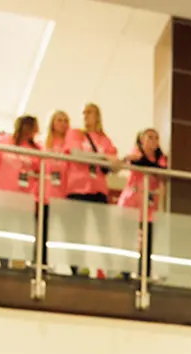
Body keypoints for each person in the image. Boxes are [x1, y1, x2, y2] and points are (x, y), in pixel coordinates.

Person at [62, 105, 117, 278]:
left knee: (103, 230)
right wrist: (102, 158)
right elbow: (76, 154)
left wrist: (103, 159)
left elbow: (114, 164)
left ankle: (106, 267)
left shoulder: (105, 139)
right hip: (77, 188)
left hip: (98, 189)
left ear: (97, 115)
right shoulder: (75, 133)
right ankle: (77, 267)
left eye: (89, 112)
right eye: (83, 112)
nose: (85, 115)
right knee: (77, 229)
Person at [0, 117, 42, 269]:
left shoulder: (36, 149)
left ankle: (22, 263)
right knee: (3, 231)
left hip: (24, 199)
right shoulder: (4, 142)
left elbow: (39, 173)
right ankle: (4, 262)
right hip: (3, 196)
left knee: (23, 232)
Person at [117, 129, 165, 283]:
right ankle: (125, 271)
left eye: (156, 138)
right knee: (128, 239)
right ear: (141, 140)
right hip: (132, 203)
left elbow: (161, 173)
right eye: (150, 137)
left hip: (149, 206)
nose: (153, 141)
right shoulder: (135, 154)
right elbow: (133, 163)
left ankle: (144, 271)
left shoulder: (161, 159)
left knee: (147, 240)